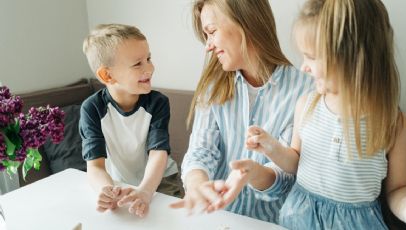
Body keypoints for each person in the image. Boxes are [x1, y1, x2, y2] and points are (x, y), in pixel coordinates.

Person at [223, 0, 406, 229]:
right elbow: (296, 162)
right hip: (299, 219)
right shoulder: (306, 106)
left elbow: (399, 188)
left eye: (311, 56)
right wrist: (271, 147)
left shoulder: (395, 125)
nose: (304, 68)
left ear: (352, 59)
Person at [169, 0, 314, 224]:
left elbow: (286, 176)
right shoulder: (212, 86)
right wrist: (197, 185)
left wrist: (252, 174)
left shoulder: (305, 90)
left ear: (246, 23)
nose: (208, 45)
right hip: (216, 218)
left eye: (212, 32)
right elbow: (201, 150)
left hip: (269, 223)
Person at [80, 24, 180, 218]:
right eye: (138, 64)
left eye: (148, 59)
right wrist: (106, 189)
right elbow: (95, 166)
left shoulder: (158, 103)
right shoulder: (91, 109)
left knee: (167, 220)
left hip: (161, 179)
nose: (150, 68)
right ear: (106, 75)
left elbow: (158, 154)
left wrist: (145, 191)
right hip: (119, 183)